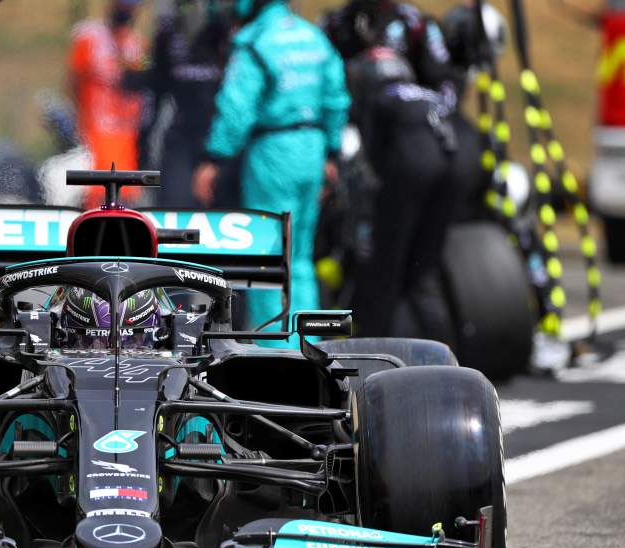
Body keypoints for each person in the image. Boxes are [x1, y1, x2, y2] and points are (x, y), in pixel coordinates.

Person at [192, 0, 350, 340]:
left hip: (274, 153)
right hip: (315, 148)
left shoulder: (254, 42)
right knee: (302, 258)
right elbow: (336, 98)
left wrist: (213, 158)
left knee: (269, 257)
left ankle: (274, 350)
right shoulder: (313, 37)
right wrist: (331, 154)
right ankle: (308, 342)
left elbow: (236, 108)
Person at [322, 0, 464, 343]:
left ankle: (373, 351)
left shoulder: (380, 100)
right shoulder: (420, 98)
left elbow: (371, 157)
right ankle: (450, 357)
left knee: (384, 269)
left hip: (406, 171)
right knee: (423, 273)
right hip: (449, 164)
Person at [131, 0, 233, 207]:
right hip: (181, 140)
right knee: (175, 212)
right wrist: (142, 147)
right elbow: (154, 92)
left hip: (223, 141)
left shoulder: (232, 31)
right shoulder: (168, 33)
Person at [68, 0, 147, 207]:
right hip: (94, 139)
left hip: (128, 144)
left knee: (127, 205)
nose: (125, 11)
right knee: (94, 203)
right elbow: (73, 81)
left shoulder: (138, 44)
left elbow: (146, 78)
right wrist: (79, 122)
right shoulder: (89, 38)